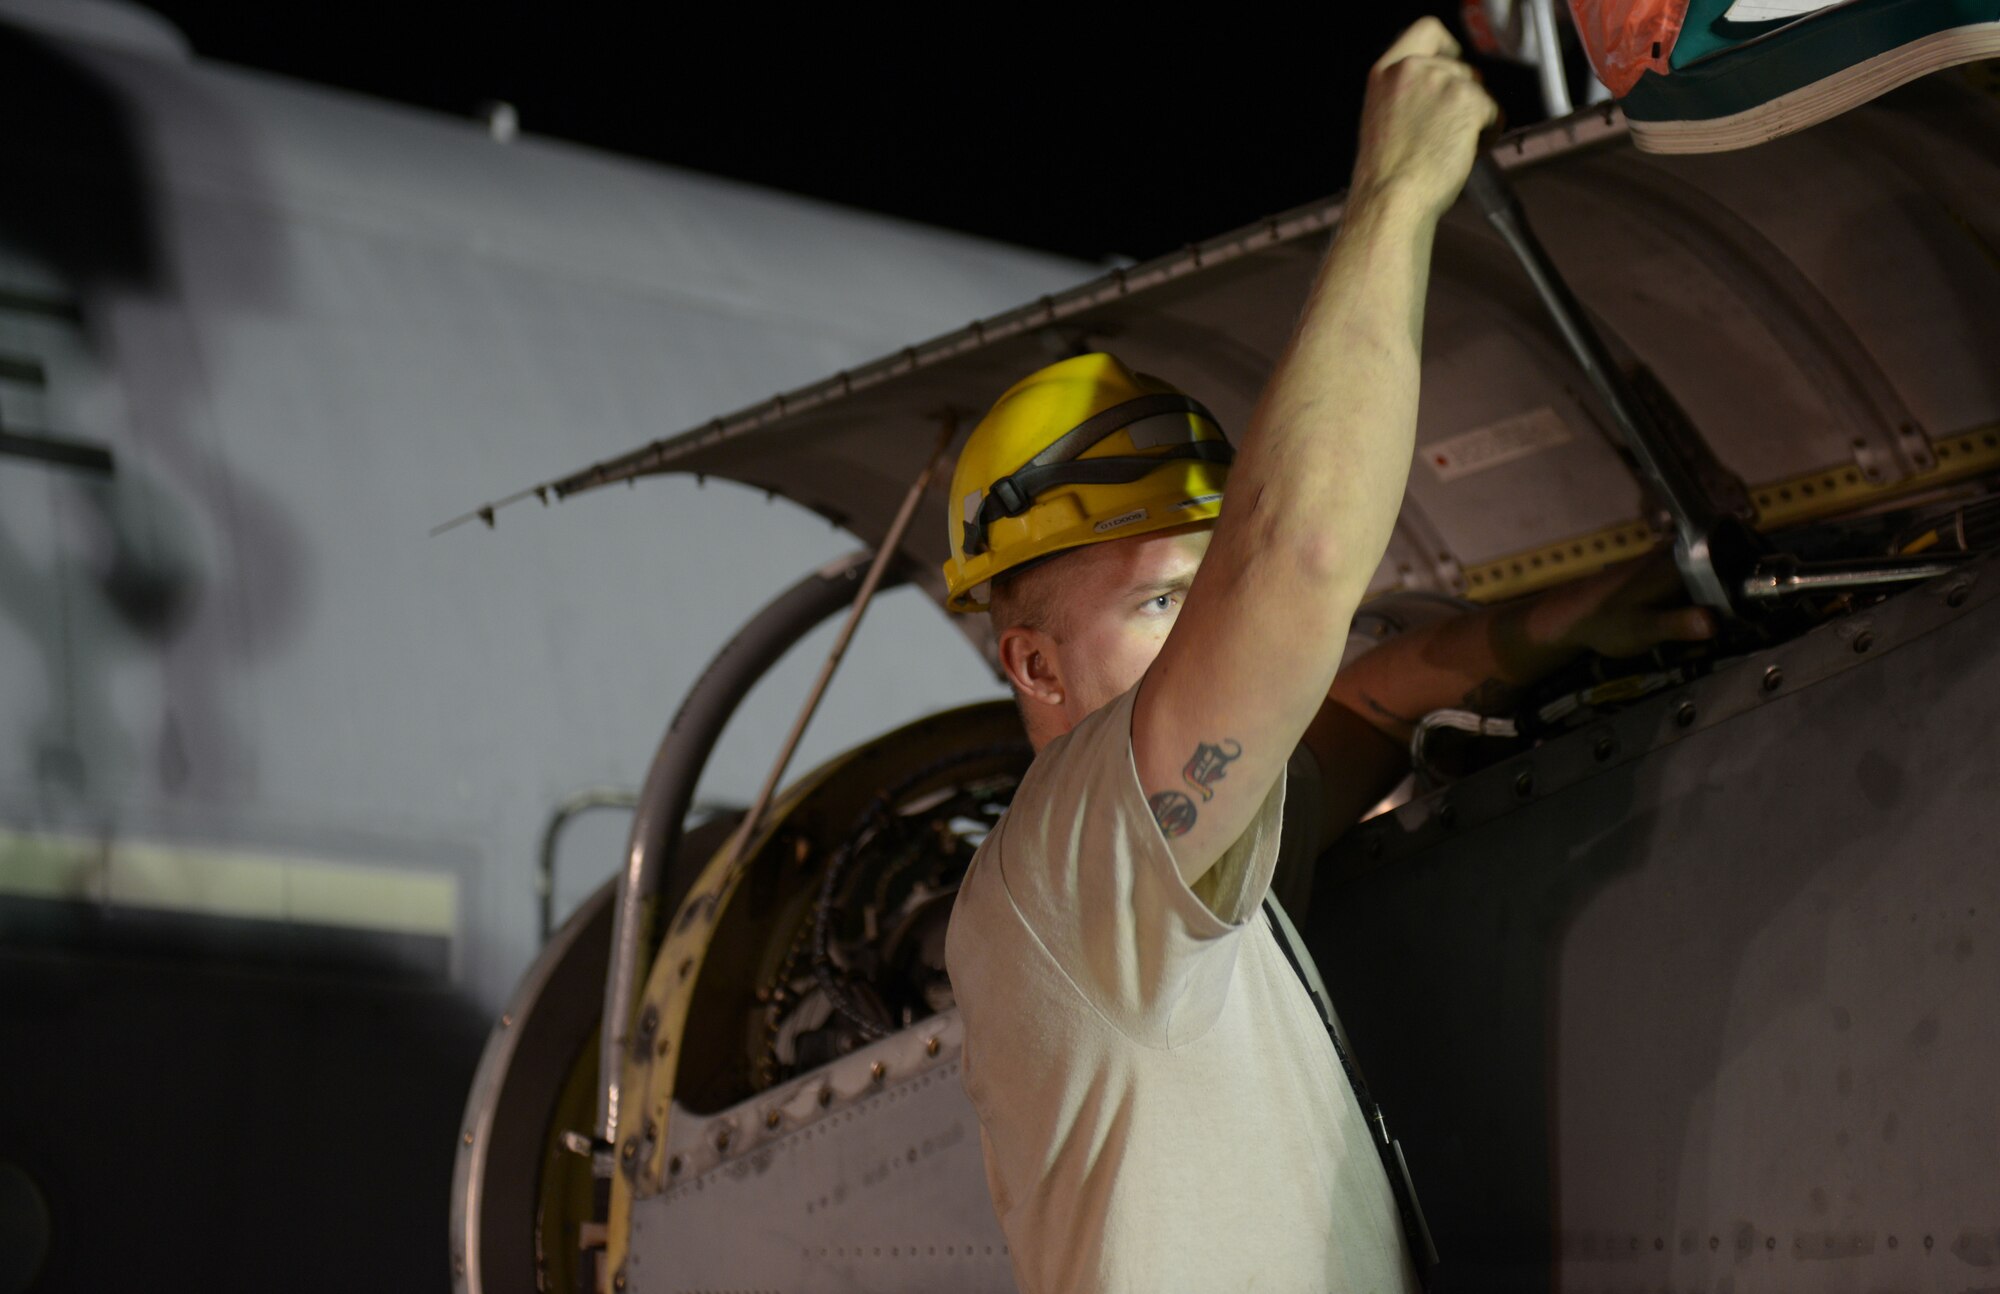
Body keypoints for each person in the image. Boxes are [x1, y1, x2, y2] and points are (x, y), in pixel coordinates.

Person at [941, 18, 1715, 1293]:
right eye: (1163, 602)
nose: (1209, 634)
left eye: (1205, 593)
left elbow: (1355, 707)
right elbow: (1296, 562)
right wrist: (1397, 192)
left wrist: (1544, 628)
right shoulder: (1081, 849)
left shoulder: (1160, 863)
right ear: (1033, 667)